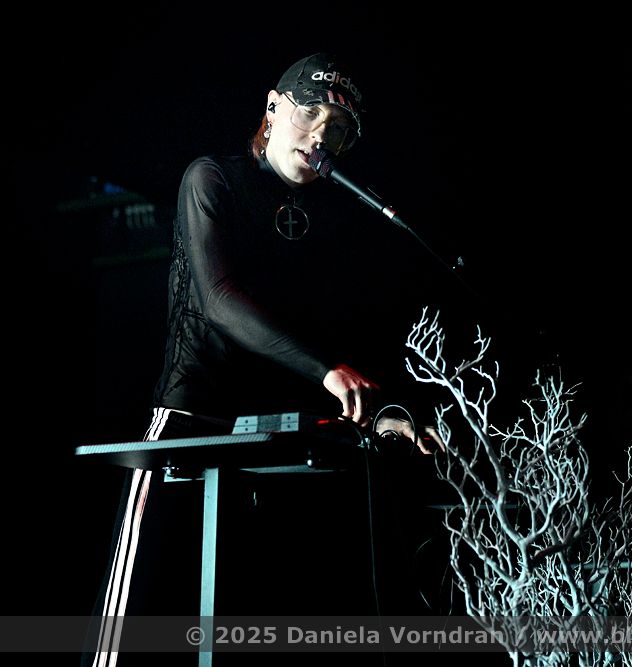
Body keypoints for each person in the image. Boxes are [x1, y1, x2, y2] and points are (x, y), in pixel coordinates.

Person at [85, 52, 456, 667]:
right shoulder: (212, 179)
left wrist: (385, 411)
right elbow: (219, 301)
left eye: (338, 130)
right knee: (131, 620)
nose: (321, 136)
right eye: (310, 114)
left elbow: (342, 331)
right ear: (274, 107)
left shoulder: (331, 220)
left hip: (273, 434)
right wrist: (328, 370)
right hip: (190, 422)